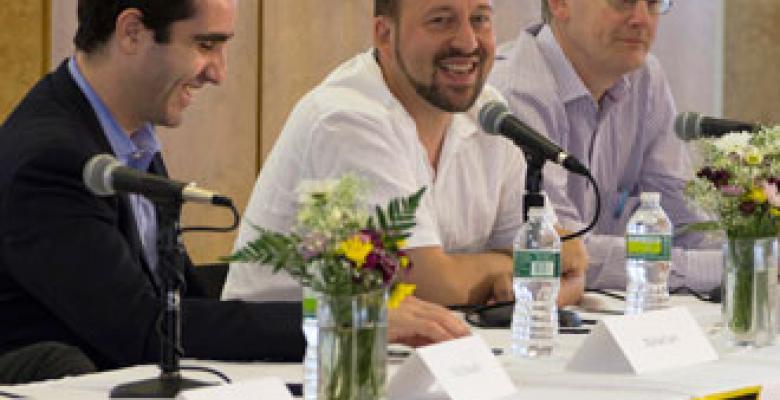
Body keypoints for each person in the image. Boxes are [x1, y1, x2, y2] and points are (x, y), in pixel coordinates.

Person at [0, 0, 468, 383]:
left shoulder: (126, 137)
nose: (219, 73)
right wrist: (340, 322)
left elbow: (177, 304)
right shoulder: (52, 158)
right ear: (132, 32)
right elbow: (146, 329)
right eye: (206, 45)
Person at [222, 0, 588, 307]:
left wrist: (533, 284)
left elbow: (570, 262)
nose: (467, 41)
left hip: (419, 349)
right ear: (384, 34)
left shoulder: (488, 111)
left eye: (479, 19)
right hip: (296, 363)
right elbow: (425, 284)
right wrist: (509, 270)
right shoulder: (348, 118)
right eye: (441, 21)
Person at [489, 0, 721, 292]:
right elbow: (565, 248)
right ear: (560, 4)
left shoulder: (644, 78)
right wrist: (713, 269)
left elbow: (685, 220)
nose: (641, 19)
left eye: (652, 3)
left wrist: (753, 252)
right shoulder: (515, 92)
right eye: (623, 2)